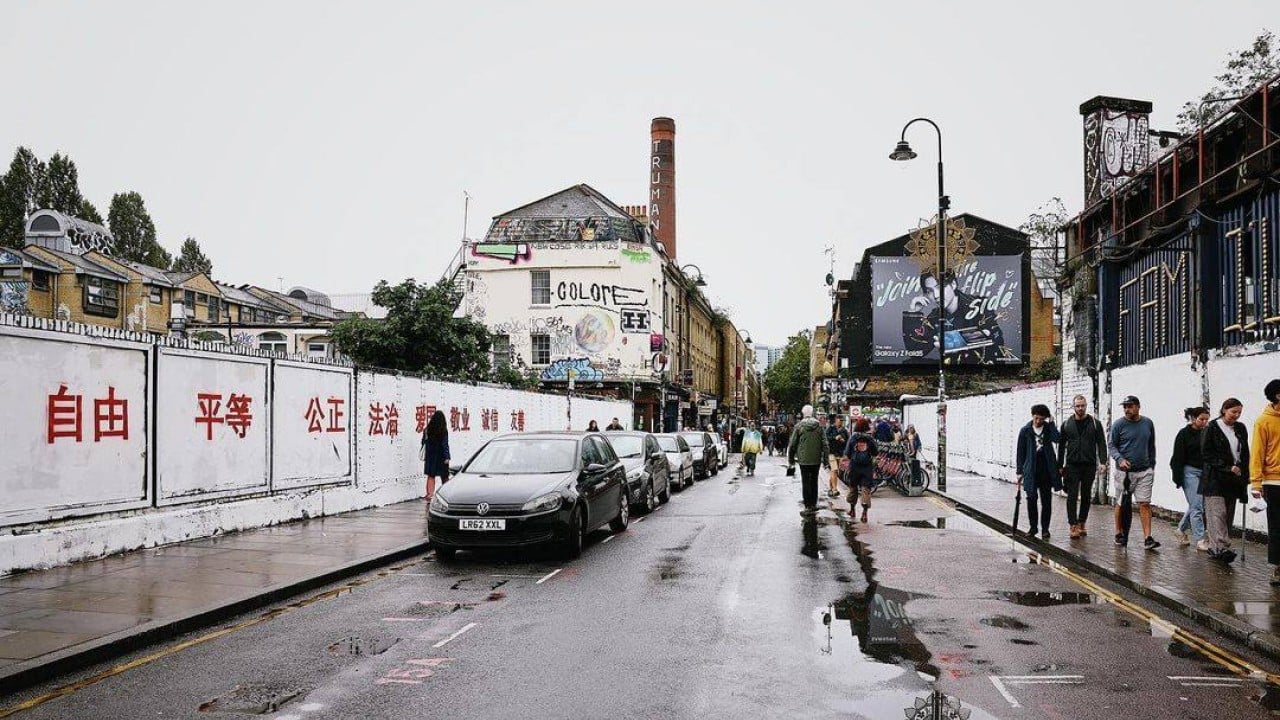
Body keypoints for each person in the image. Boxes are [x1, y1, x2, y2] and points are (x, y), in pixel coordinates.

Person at [1200, 397, 1250, 563]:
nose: (1236, 415)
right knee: (1217, 514)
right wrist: (1226, 467)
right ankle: (1223, 547)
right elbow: (1206, 454)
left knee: (1227, 516)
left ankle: (1216, 548)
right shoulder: (1212, 427)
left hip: (1233, 479)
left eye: (1239, 413)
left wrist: (1245, 476)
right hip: (1214, 478)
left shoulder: (1241, 428)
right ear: (1224, 410)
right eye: (1233, 412)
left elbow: (1245, 453)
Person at [1108, 395, 1160, 549]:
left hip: (1144, 471)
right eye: (1124, 406)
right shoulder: (1118, 425)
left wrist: (1152, 464)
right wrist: (1120, 459)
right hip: (1124, 472)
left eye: (1130, 406)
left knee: (1144, 503)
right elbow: (1111, 445)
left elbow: (1151, 445)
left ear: (1138, 407)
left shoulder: (1147, 423)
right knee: (1121, 503)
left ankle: (1148, 538)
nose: (1127, 409)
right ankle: (1118, 532)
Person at [1057, 394, 1108, 539]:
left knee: (1086, 496)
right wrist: (1059, 465)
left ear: (1086, 406)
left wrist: (1103, 462)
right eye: (1077, 406)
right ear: (1073, 407)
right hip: (1072, 465)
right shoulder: (1067, 424)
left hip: (1089, 465)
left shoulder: (1094, 423)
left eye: (1082, 405)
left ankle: (1082, 523)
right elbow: (1061, 447)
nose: (1080, 408)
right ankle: (1072, 525)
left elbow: (1101, 444)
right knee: (1072, 495)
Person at [1016, 404, 1062, 540]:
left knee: (1046, 500)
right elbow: (1020, 452)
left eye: (1041, 419)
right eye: (1036, 418)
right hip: (1031, 469)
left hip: (1046, 469)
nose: (1038, 422)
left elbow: (1057, 439)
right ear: (1032, 416)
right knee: (1031, 499)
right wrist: (1019, 471)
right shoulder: (1025, 431)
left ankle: (1045, 529)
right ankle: (1033, 527)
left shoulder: (1048, 429)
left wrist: (1052, 423)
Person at [1251, 379, 1280, 584]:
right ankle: (1279, 568)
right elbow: (1257, 453)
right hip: (1273, 481)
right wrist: (1256, 483)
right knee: (1277, 525)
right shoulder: (1264, 421)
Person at [1170, 406, 1210, 550]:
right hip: (1189, 472)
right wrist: (1178, 477)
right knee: (1197, 506)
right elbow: (1177, 457)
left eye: (1207, 419)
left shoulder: (1208, 433)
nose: (1204, 422)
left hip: (1204, 472)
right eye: (1201, 419)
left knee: (1198, 505)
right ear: (1193, 418)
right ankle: (1200, 540)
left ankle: (1180, 529)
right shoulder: (1184, 434)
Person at [788, 405, 830, 513]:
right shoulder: (819, 426)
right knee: (814, 481)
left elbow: (792, 444)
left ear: (803, 413)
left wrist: (791, 460)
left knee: (805, 481)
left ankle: (807, 505)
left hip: (803, 459)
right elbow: (825, 444)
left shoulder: (799, 426)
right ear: (812, 413)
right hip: (816, 459)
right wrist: (825, 461)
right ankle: (813, 503)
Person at [844, 418, 879, 523]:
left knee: (853, 488)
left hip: (854, 467)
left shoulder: (853, 437)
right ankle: (864, 513)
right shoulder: (869, 438)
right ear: (866, 427)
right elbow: (875, 452)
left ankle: (852, 510)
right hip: (866, 467)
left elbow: (848, 452)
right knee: (866, 490)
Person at [420, 409, 450, 500]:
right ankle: (446, 494)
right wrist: (447, 456)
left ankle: (429, 494)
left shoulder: (427, 430)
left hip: (430, 456)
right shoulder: (443, 430)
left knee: (431, 475)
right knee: (444, 476)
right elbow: (445, 444)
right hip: (441, 456)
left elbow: (423, 442)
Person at [826, 415, 850, 498]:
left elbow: (848, 442)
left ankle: (831, 488)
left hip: (840, 453)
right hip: (831, 452)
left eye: (842, 421)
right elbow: (826, 438)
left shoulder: (844, 431)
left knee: (836, 472)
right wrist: (834, 438)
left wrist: (843, 440)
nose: (841, 422)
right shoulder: (830, 428)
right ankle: (835, 489)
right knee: (834, 470)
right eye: (839, 421)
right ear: (836, 420)